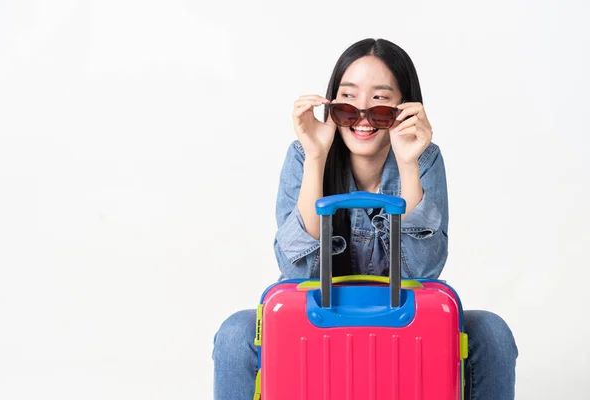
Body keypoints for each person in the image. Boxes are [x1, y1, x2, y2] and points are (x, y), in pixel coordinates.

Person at [212, 38, 518, 400]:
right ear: (332, 104)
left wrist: (407, 163)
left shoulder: (424, 158)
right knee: (235, 333)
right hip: (319, 312)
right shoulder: (303, 154)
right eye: (348, 99)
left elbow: (422, 272)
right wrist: (315, 157)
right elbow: (298, 276)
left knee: (491, 332)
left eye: (380, 101)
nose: (361, 115)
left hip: (400, 315)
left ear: (404, 108)